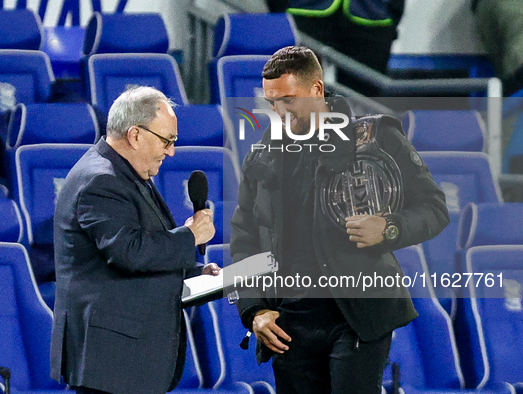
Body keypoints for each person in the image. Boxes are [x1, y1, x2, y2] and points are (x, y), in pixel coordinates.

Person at [230, 46, 449, 393]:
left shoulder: (377, 137)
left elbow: (435, 208)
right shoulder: (262, 155)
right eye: (272, 103)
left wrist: (389, 228)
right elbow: (243, 240)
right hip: (289, 323)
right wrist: (253, 310)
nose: (279, 112)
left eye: (288, 100)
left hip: (357, 316)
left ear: (317, 90)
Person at [50, 86, 219, 394]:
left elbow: (143, 248)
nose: (171, 151)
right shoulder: (100, 180)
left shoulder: (126, 174)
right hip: (112, 364)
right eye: (167, 141)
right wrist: (190, 236)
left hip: (128, 364)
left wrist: (195, 274)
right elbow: (129, 252)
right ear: (135, 135)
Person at [266, 0, 405, 96]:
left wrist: (392, 10)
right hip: (305, 12)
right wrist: (279, 9)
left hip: (373, 17)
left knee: (364, 104)